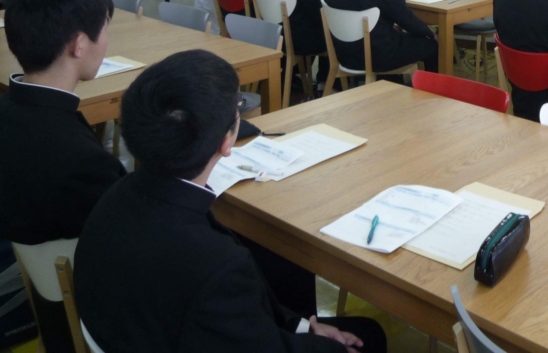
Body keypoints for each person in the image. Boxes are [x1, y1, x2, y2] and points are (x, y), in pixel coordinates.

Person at [75, 50, 387, 353]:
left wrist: (303, 327)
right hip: (184, 332)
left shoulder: (113, 196)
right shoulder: (218, 266)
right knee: (370, 335)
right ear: (227, 142)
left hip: (142, 330)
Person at [0, 0, 124, 353]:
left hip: (46, 298)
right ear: (79, 44)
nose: (107, 42)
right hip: (96, 314)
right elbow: (134, 236)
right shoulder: (80, 161)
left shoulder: (10, 112)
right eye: (104, 30)